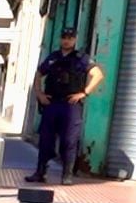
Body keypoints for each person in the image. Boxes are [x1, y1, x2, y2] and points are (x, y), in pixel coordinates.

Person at [26, 29, 104, 184]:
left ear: (75, 40)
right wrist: (40, 94)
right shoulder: (53, 57)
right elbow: (39, 74)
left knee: (69, 141)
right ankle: (40, 172)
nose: (66, 41)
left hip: (71, 105)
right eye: (64, 38)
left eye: (70, 38)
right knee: (46, 139)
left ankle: (67, 175)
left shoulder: (81, 58)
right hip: (52, 103)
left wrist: (84, 93)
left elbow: (98, 74)